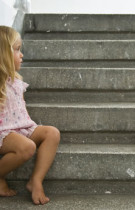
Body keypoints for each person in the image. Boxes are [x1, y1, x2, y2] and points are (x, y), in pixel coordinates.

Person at [0, 26, 60, 205]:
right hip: (3, 133)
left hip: (23, 128)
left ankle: (36, 180)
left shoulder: (17, 81)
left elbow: (21, 111)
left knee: (52, 133)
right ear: (3, 54)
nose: (22, 55)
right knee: (27, 147)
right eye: (17, 49)